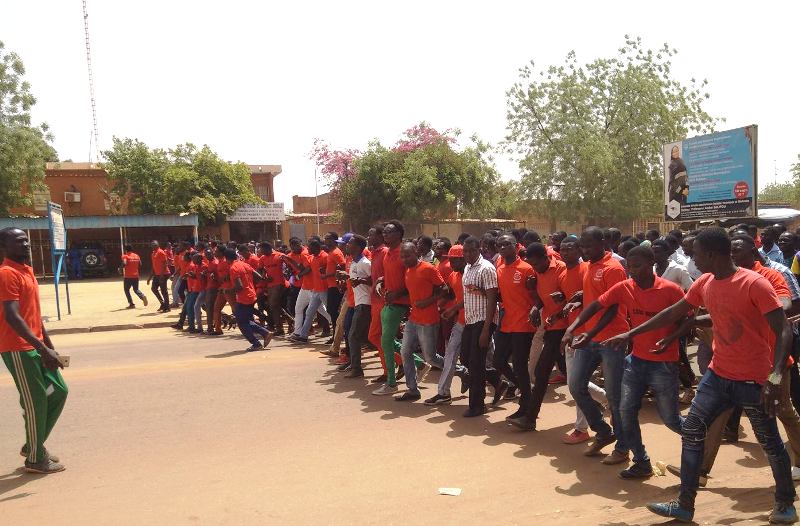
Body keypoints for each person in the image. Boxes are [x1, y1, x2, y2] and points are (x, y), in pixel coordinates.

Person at [607, 227, 796, 524]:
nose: (692, 259)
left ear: (710, 254)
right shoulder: (706, 282)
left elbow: (783, 330)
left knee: (769, 441)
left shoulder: (754, 283)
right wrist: (631, 332)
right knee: (693, 430)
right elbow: (673, 312)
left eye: (696, 253)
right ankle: (685, 503)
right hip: (717, 375)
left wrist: (774, 376)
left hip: (753, 380)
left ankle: (785, 503)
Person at [593, 246, 686, 479]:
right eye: (629, 267)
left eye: (637, 266)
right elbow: (598, 304)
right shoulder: (625, 287)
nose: (632, 271)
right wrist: (576, 329)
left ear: (652, 262)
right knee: (625, 413)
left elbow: (688, 322)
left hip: (663, 364)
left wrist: (670, 338)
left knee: (671, 419)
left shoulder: (671, 290)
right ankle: (641, 461)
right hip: (635, 361)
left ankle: (701, 443)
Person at [0, 227, 68, 474]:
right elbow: (12, 317)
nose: (26, 244)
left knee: (59, 391)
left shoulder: (26, 270)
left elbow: (34, 316)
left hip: (36, 346)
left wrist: (49, 347)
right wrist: (40, 348)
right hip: (18, 347)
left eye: (26, 240)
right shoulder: (7, 273)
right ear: (4, 247)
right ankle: (34, 458)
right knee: (35, 401)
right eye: (19, 241)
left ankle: (33, 446)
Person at [562, 226, 629, 464]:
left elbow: (611, 308)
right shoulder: (590, 265)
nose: (584, 250)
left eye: (588, 246)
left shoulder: (613, 269)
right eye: (583, 246)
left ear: (602, 243)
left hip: (611, 339)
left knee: (614, 394)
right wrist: (579, 299)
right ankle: (603, 431)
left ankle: (622, 448)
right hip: (588, 337)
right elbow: (595, 297)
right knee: (575, 385)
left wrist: (589, 334)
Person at [510, 242, 569, 431]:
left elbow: (573, 298)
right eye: (532, 265)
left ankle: (530, 418)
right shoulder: (536, 272)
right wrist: (536, 307)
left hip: (566, 327)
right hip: (550, 326)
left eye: (536, 264)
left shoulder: (561, 269)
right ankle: (530, 418)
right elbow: (541, 299)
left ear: (546, 257)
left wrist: (562, 299)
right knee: (565, 375)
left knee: (550, 373)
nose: (534, 268)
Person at [492, 235, 537, 428]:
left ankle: (525, 405)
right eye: (500, 245)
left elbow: (537, 296)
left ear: (516, 247)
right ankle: (525, 389)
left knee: (519, 365)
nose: (503, 247)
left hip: (524, 324)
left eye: (507, 244)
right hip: (507, 322)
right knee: (498, 361)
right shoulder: (499, 269)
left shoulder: (527, 269)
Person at [395, 242, 446, 401]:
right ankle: (412, 389)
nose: (404, 259)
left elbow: (444, 289)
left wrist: (428, 301)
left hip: (429, 320)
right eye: (402, 256)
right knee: (405, 352)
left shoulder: (429, 268)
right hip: (413, 319)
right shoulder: (408, 270)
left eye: (407, 255)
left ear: (416, 252)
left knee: (430, 358)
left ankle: (461, 371)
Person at [461, 236, 500, 417]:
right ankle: (495, 379)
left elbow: (493, 299)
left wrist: (486, 330)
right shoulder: (467, 268)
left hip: (483, 320)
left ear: (479, 250)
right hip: (470, 319)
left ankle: (477, 405)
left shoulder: (487, 268)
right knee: (466, 359)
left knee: (476, 364)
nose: (468, 254)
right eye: (465, 251)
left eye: (472, 251)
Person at [425, 244, 469, 405]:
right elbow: (449, 292)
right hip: (461, 322)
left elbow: (472, 299)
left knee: (491, 358)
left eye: (454, 260)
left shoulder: (472, 274)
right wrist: (440, 304)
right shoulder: (454, 275)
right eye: (450, 260)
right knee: (450, 355)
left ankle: (506, 383)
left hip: (479, 322)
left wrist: (451, 310)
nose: (451, 264)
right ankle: (443, 393)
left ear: (463, 258)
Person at [373, 220, 412, 396]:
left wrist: (398, 293)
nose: (385, 235)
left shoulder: (404, 252)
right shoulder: (388, 253)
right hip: (388, 302)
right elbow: (390, 274)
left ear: (399, 234)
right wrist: (382, 280)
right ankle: (418, 364)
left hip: (400, 303)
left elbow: (411, 277)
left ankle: (391, 383)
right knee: (385, 339)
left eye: (389, 232)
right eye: (385, 232)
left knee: (385, 341)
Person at [227, 248, 273, 352]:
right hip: (252, 294)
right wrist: (250, 284)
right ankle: (265, 333)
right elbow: (259, 277)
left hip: (244, 298)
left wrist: (228, 290)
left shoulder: (233, 267)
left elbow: (239, 287)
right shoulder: (244, 264)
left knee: (241, 322)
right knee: (245, 320)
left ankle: (256, 343)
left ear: (227, 259)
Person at [290, 239, 332, 343]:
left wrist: (325, 271)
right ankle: (303, 336)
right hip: (315, 290)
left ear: (316, 248)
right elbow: (304, 268)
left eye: (309, 247)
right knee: (309, 313)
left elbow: (332, 269)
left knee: (330, 312)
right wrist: (290, 260)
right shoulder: (313, 257)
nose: (307, 248)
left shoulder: (324, 256)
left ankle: (341, 330)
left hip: (323, 289)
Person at [342, 235, 371, 378]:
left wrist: (361, 281)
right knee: (366, 337)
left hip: (366, 303)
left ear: (358, 247)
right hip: (358, 302)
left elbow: (375, 281)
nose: (347, 245)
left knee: (354, 336)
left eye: (350, 243)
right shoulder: (353, 263)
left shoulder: (365, 263)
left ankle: (356, 368)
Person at [321, 232, 346, 342]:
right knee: (332, 310)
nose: (325, 240)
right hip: (331, 284)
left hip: (336, 286)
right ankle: (337, 334)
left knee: (332, 309)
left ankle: (338, 335)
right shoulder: (331, 252)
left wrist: (328, 274)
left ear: (333, 240)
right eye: (325, 237)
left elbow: (343, 265)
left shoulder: (336, 252)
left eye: (327, 238)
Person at [120, 244, 148, 309]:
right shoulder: (136, 256)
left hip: (128, 276)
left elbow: (124, 263)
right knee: (136, 289)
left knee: (126, 290)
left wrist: (120, 268)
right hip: (136, 275)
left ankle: (131, 304)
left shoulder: (125, 256)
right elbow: (140, 264)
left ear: (126, 250)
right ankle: (142, 296)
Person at [148, 240, 170, 312]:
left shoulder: (161, 252)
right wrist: (150, 277)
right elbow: (154, 266)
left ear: (158, 245)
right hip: (157, 274)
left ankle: (167, 307)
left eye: (154, 244)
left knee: (164, 291)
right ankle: (163, 303)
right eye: (152, 244)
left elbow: (165, 263)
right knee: (154, 288)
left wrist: (161, 275)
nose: (153, 245)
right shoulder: (153, 253)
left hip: (163, 274)